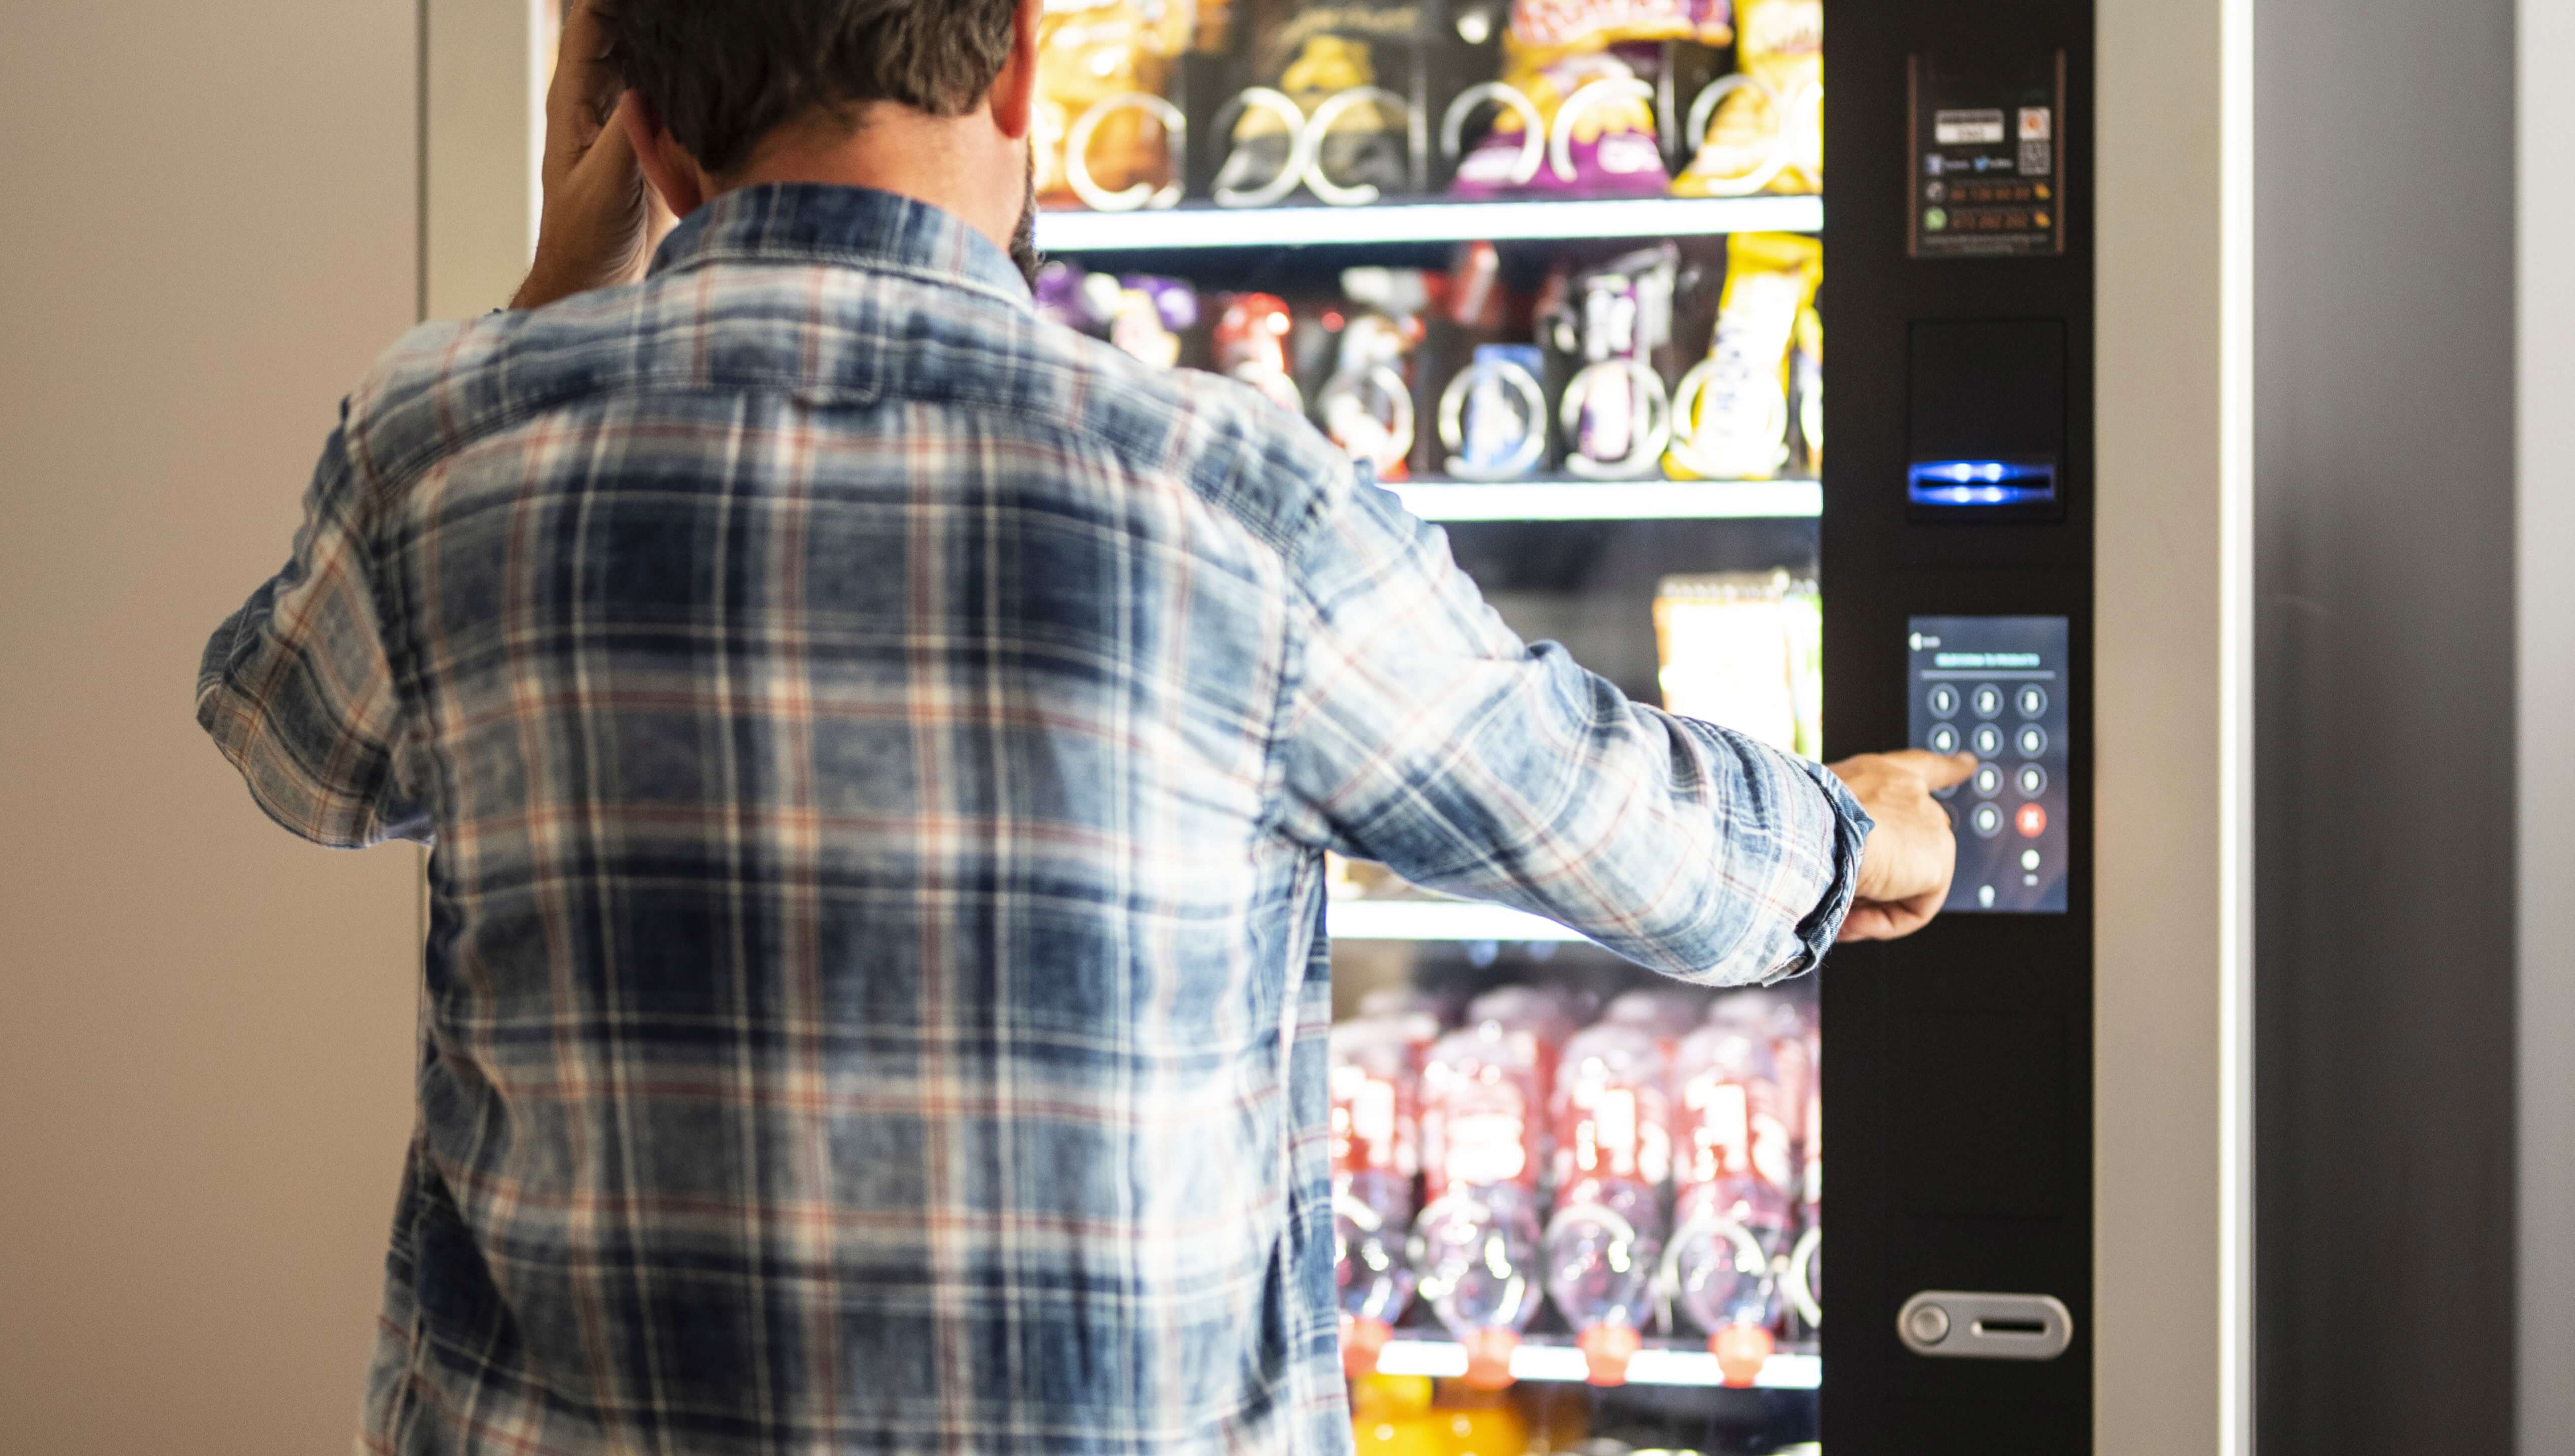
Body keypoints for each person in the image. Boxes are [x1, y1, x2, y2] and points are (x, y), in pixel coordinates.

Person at [195, 2, 1969, 1450]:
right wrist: (1852, 825)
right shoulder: (1228, 492)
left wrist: (551, 301)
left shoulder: (442, 441)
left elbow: (302, 759)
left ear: (632, 129)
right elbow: (1626, 838)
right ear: (1025, 65)